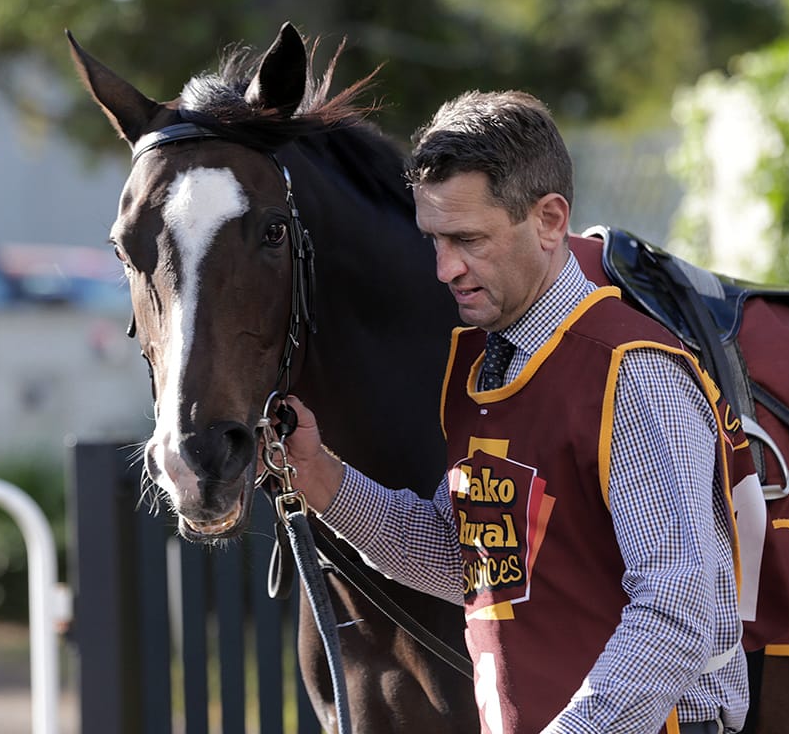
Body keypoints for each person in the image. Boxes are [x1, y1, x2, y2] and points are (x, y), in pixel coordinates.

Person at [280, 90, 748, 734]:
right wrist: (321, 479)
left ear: (551, 220)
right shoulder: (478, 368)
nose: (444, 269)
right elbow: (468, 562)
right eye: (434, 240)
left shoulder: (632, 372)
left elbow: (678, 609)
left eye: (468, 239)